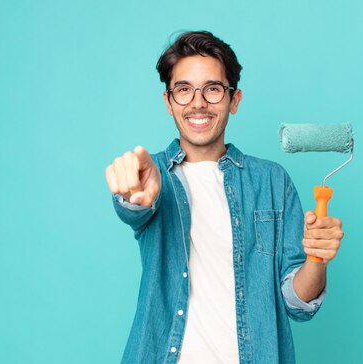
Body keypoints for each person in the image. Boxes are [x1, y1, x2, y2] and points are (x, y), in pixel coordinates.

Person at [105, 31, 344, 364]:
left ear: (235, 100)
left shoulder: (272, 181)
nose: (198, 102)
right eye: (184, 90)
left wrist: (318, 259)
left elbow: (296, 303)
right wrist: (132, 196)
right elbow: (134, 206)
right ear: (168, 102)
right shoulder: (153, 174)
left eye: (213, 89)